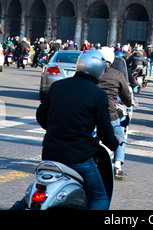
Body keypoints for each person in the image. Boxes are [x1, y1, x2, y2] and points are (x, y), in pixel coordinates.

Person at [35, 49, 120, 210]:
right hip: (79, 157)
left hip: (50, 154)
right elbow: (104, 132)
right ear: (99, 70)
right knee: (100, 196)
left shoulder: (57, 86)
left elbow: (41, 116)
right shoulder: (98, 95)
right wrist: (116, 144)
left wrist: (56, 128)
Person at [98, 46, 132, 180]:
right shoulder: (118, 74)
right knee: (121, 137)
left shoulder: (93, 73)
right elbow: (126, 95)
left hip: (89, 113)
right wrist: (129, 103)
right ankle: (117, 166)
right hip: (109, 114)